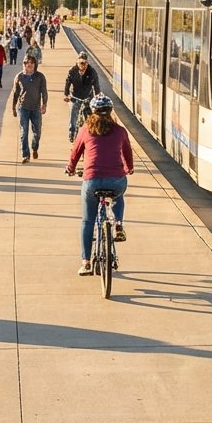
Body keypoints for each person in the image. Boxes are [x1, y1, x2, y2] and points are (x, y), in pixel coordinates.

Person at [65, 94, 132, 275]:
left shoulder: (85, 130)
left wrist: (70, 169)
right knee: (118, 195)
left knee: (87, 221)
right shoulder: (120, 131)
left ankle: (86, 262)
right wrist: (129, 168)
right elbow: (128, 153)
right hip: (116, 180)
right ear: (110, 112)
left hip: (92, 180)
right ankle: (118, 224)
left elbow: (75, 153)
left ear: (92, 112)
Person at [11, 54, 48, 163]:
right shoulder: (19, 77)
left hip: (36, 108)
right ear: (24, 64)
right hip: (23, 108)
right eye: (27, 62)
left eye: (31, 63)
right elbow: (15, 93)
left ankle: (34, 147)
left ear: (35, 64)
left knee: (37, 132)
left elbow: (44, 92)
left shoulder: (40, 77)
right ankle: (25, 154)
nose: (29, 65)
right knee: (24, 131)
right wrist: (13, 107)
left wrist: (44, 104)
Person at [63, 51, 101, 143]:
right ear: (77, 62)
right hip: (75, 97)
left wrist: (97, 97)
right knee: (73, 117)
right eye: (81, 63)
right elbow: (67, 84)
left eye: (85, 63)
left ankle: (91, 136)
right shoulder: (72, 71)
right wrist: (66, 95)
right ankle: (72, 134)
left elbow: (96, 86)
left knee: (90, 118)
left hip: (87, 97)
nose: (83, 65)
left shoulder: (92, 72)